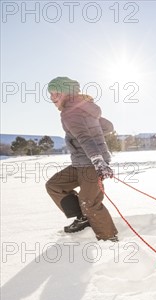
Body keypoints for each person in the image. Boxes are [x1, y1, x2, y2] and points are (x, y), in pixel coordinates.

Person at [45, 76, 118, 241]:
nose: (52, 97)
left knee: (89, 202)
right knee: (55, 185)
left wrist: (98, 160)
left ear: (67, 93)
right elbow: (108, 126)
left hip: (91, 163)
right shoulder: (83, 109)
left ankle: (110, 240)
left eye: (56, 93)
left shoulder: (69, 112)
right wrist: (94, 128)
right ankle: (83, 217)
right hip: (81, 163)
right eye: (50, 94)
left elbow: (85, 137)